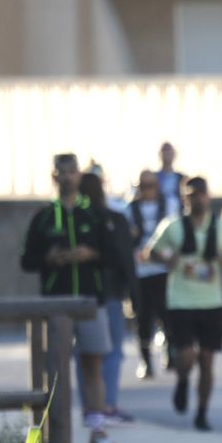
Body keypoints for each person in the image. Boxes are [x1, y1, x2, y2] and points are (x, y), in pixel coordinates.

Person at [20, 153, 117, 443]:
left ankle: (97, 430)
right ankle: (52, 436)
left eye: (71, 171)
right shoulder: (44, 217)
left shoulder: (95, 215)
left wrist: (91, 254)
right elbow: (27, 260)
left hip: (90, 301)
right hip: (56, 304)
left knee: (93, 364)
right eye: (61, 172)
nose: (66, 177)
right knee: (54, 369)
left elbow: (114, 256)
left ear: (79, 175)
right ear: (54, 176)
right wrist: (50, 259)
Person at [146, 177, 222, 431]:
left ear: (208, 196)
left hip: (212, 302)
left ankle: (202, 412)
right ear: (184, 198)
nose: (197, 199)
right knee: (186, 355)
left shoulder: (221, 228)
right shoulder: (173, 226)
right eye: (191, 195)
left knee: (207, 360)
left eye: (201, 194)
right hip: (181, 301)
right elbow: (151, 251)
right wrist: (167, 258)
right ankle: (183, 379)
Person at [79, 172, 138, 426]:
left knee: (86, 355)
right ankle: (107, 404)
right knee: (110, 352)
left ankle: (91, 406)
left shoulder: (78, 220)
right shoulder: (111, 219)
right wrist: (134, 293)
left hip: (86, 294)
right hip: (108, 294)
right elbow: (124, 259)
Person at [126, 170, 180, 379]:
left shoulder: (170, 206)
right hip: (140, 271)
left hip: (164, 269)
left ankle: (170, 352)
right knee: (142, 317)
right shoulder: (129, 210)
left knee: (167, 314)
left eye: (151, 186)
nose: (148, 191)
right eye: (143, 186)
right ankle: (146, 360)